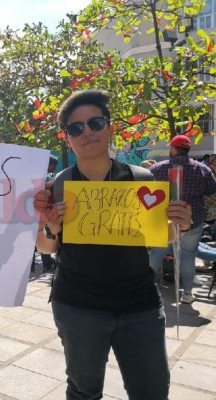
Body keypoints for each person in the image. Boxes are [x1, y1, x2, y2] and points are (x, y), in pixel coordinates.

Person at [34, 90, 192, 399]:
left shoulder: (141, 179)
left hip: (138, 305)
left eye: (94, 123)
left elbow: (157, 238)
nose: (87, 132)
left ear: (109, 128)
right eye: (76, 128)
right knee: (83, 391)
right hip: (77, 305)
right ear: (67, 138)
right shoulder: (60, 185)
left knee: (152, 390)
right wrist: (52, 225)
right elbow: (47, 248)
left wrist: (180, 225)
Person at [149, 135, 216, 303]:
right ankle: (187, 294)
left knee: (157, 253)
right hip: (193, 221)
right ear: (188, 150)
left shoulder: (157, 169)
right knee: (188, 255)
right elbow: (213, 195)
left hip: (164, 221)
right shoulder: (203, 169)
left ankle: (144, 288)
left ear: (173, 149)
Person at [40, 155, 59, 271]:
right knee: (45, 235)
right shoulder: (41, 176)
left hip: (46, 210)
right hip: (41, 211)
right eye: (53, 166)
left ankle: (47, 260)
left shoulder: (45, 175)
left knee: (47, 235)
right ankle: (46, 263)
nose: (54, 168)